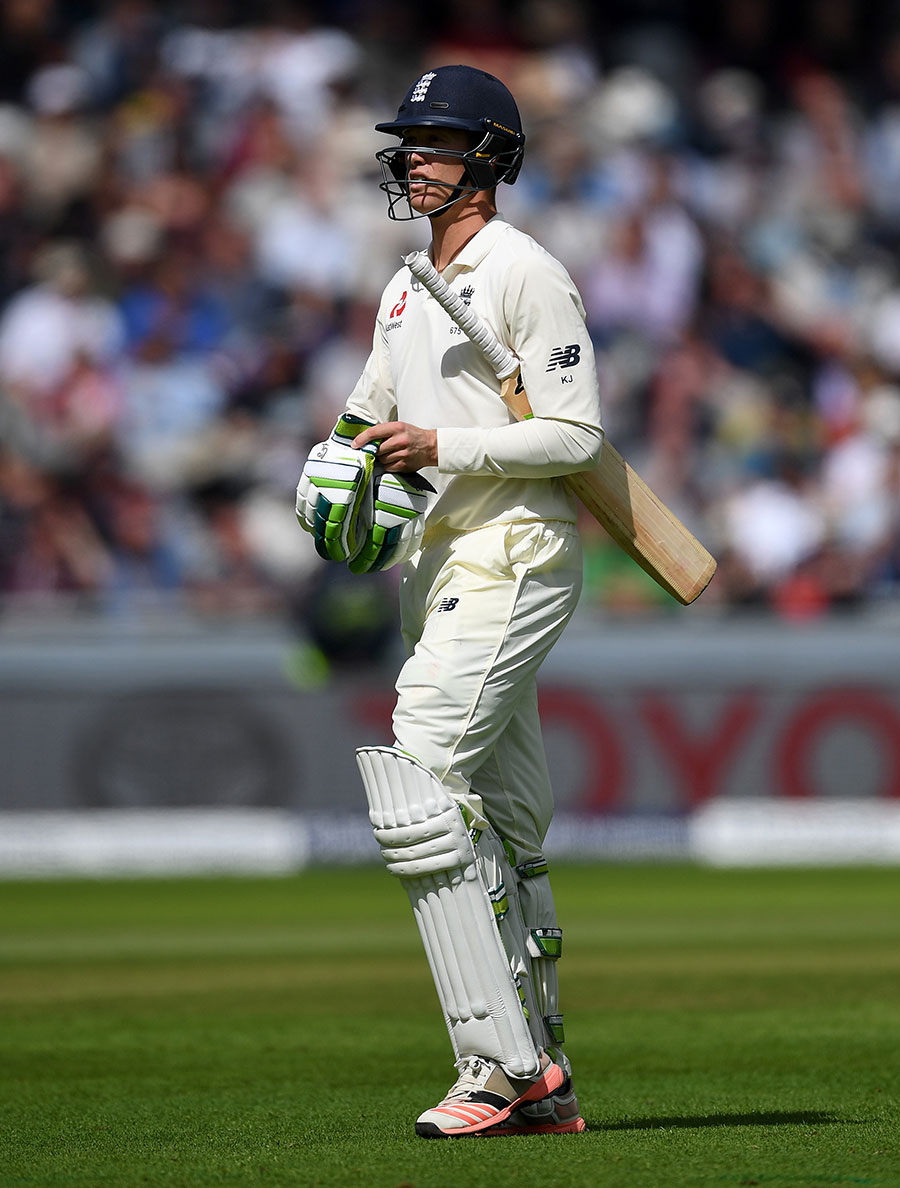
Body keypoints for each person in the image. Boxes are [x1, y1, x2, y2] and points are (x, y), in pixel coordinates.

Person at [295, 64, 603, 1138]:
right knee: (507, 823)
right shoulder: (407, 286)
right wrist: (337, 462)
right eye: (409, 143)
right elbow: (364, 415)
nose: (413, 159)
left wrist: (441, 445)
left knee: (418, 779)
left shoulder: (526, 272)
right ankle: (547, 1075)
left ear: (492, 156)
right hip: (437, 564)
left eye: (436, 143)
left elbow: (576, 436)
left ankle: (497, 1069)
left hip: (516, 550)